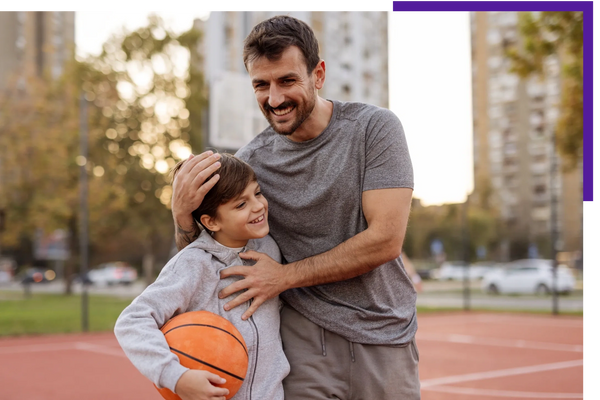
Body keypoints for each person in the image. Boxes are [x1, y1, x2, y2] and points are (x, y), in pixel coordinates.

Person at [171, 15, 420, 399]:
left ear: (317, 75)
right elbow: (212, 258)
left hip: (383, 333)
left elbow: (385, 240)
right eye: (261, 85)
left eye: (287, 80)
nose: (274, 99)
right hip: (302, 341)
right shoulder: (251, 162)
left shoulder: (375, 129)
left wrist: (284, 277)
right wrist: (182, 217)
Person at [114, 154, 290, 400]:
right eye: (241, 205)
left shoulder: (269, 247)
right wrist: (176, 377)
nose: (258, 205)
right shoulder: (193, 263)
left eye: (257, 193)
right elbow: (131, 321)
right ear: (211, 221)